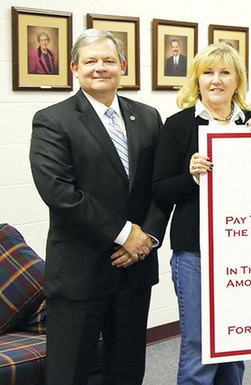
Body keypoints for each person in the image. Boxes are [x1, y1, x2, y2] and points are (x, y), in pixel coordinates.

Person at [29, 29, 168, 384]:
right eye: (91, 61)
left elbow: (159, 186)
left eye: (108, 60)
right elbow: (60, 192)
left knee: (127, 370)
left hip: (134, 270)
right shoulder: (53, 120)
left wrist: (147, 237)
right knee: (68, 373)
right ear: (75, 67)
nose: (100, 68)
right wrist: (126, 234)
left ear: (122, 66)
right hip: (80, 273)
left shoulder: (149, 117)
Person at [153, 42, 251, 384]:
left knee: (235, 342)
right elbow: (159, 189)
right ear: (197, 79)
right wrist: (191, 177)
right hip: (195, 253)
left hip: (243, 251)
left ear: (237, 80)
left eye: (225, 72)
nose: (216, 80)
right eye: (208, 72)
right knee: (199, 344)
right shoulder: (177, 126)